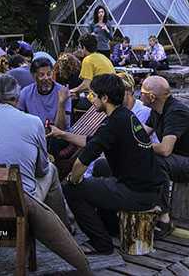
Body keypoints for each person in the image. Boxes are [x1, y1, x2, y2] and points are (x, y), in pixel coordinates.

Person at [54, 74, 167, 255]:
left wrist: (73, 179)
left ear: (104, 98)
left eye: (93, 95)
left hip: (138, 194)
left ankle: (101, 243)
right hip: (150, 187)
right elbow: (93, 141)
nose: (91, 99)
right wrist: (62, 134)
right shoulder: (125, 115)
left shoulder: (112, 124)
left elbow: (83, 160)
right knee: (100, 168)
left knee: (71, 189)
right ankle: (111, 226)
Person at [0, 74, 68, 225]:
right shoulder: (34, 122)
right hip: (19, 203)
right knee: (51, 170)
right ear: (17, 98)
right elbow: (41, 170)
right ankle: (61, 227)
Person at [140, 75, 189, 232]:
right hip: (181, 159)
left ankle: (164, 218)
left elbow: (165, 149)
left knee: (157, 161)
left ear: (152, 97)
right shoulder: (157, 110)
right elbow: (142, 133)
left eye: (142, 92)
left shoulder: (175, 112)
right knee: (143, 157)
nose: (139, 95)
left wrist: (140, 145)